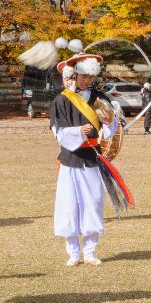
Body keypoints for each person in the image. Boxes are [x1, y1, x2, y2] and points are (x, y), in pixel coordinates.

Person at [50, 53, 120, 266]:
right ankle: (73, 253)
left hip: (92, 158)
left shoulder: (99, 98)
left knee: (93, 204)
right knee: (69, 205)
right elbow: (57, 131)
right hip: (70, 158)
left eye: (91, 76)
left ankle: (90, 252)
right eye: (84, 76)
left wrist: (109, 121)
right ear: (74, 75)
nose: (88, 80)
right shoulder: (61, 100)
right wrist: (78, 131)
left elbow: (111, 129)